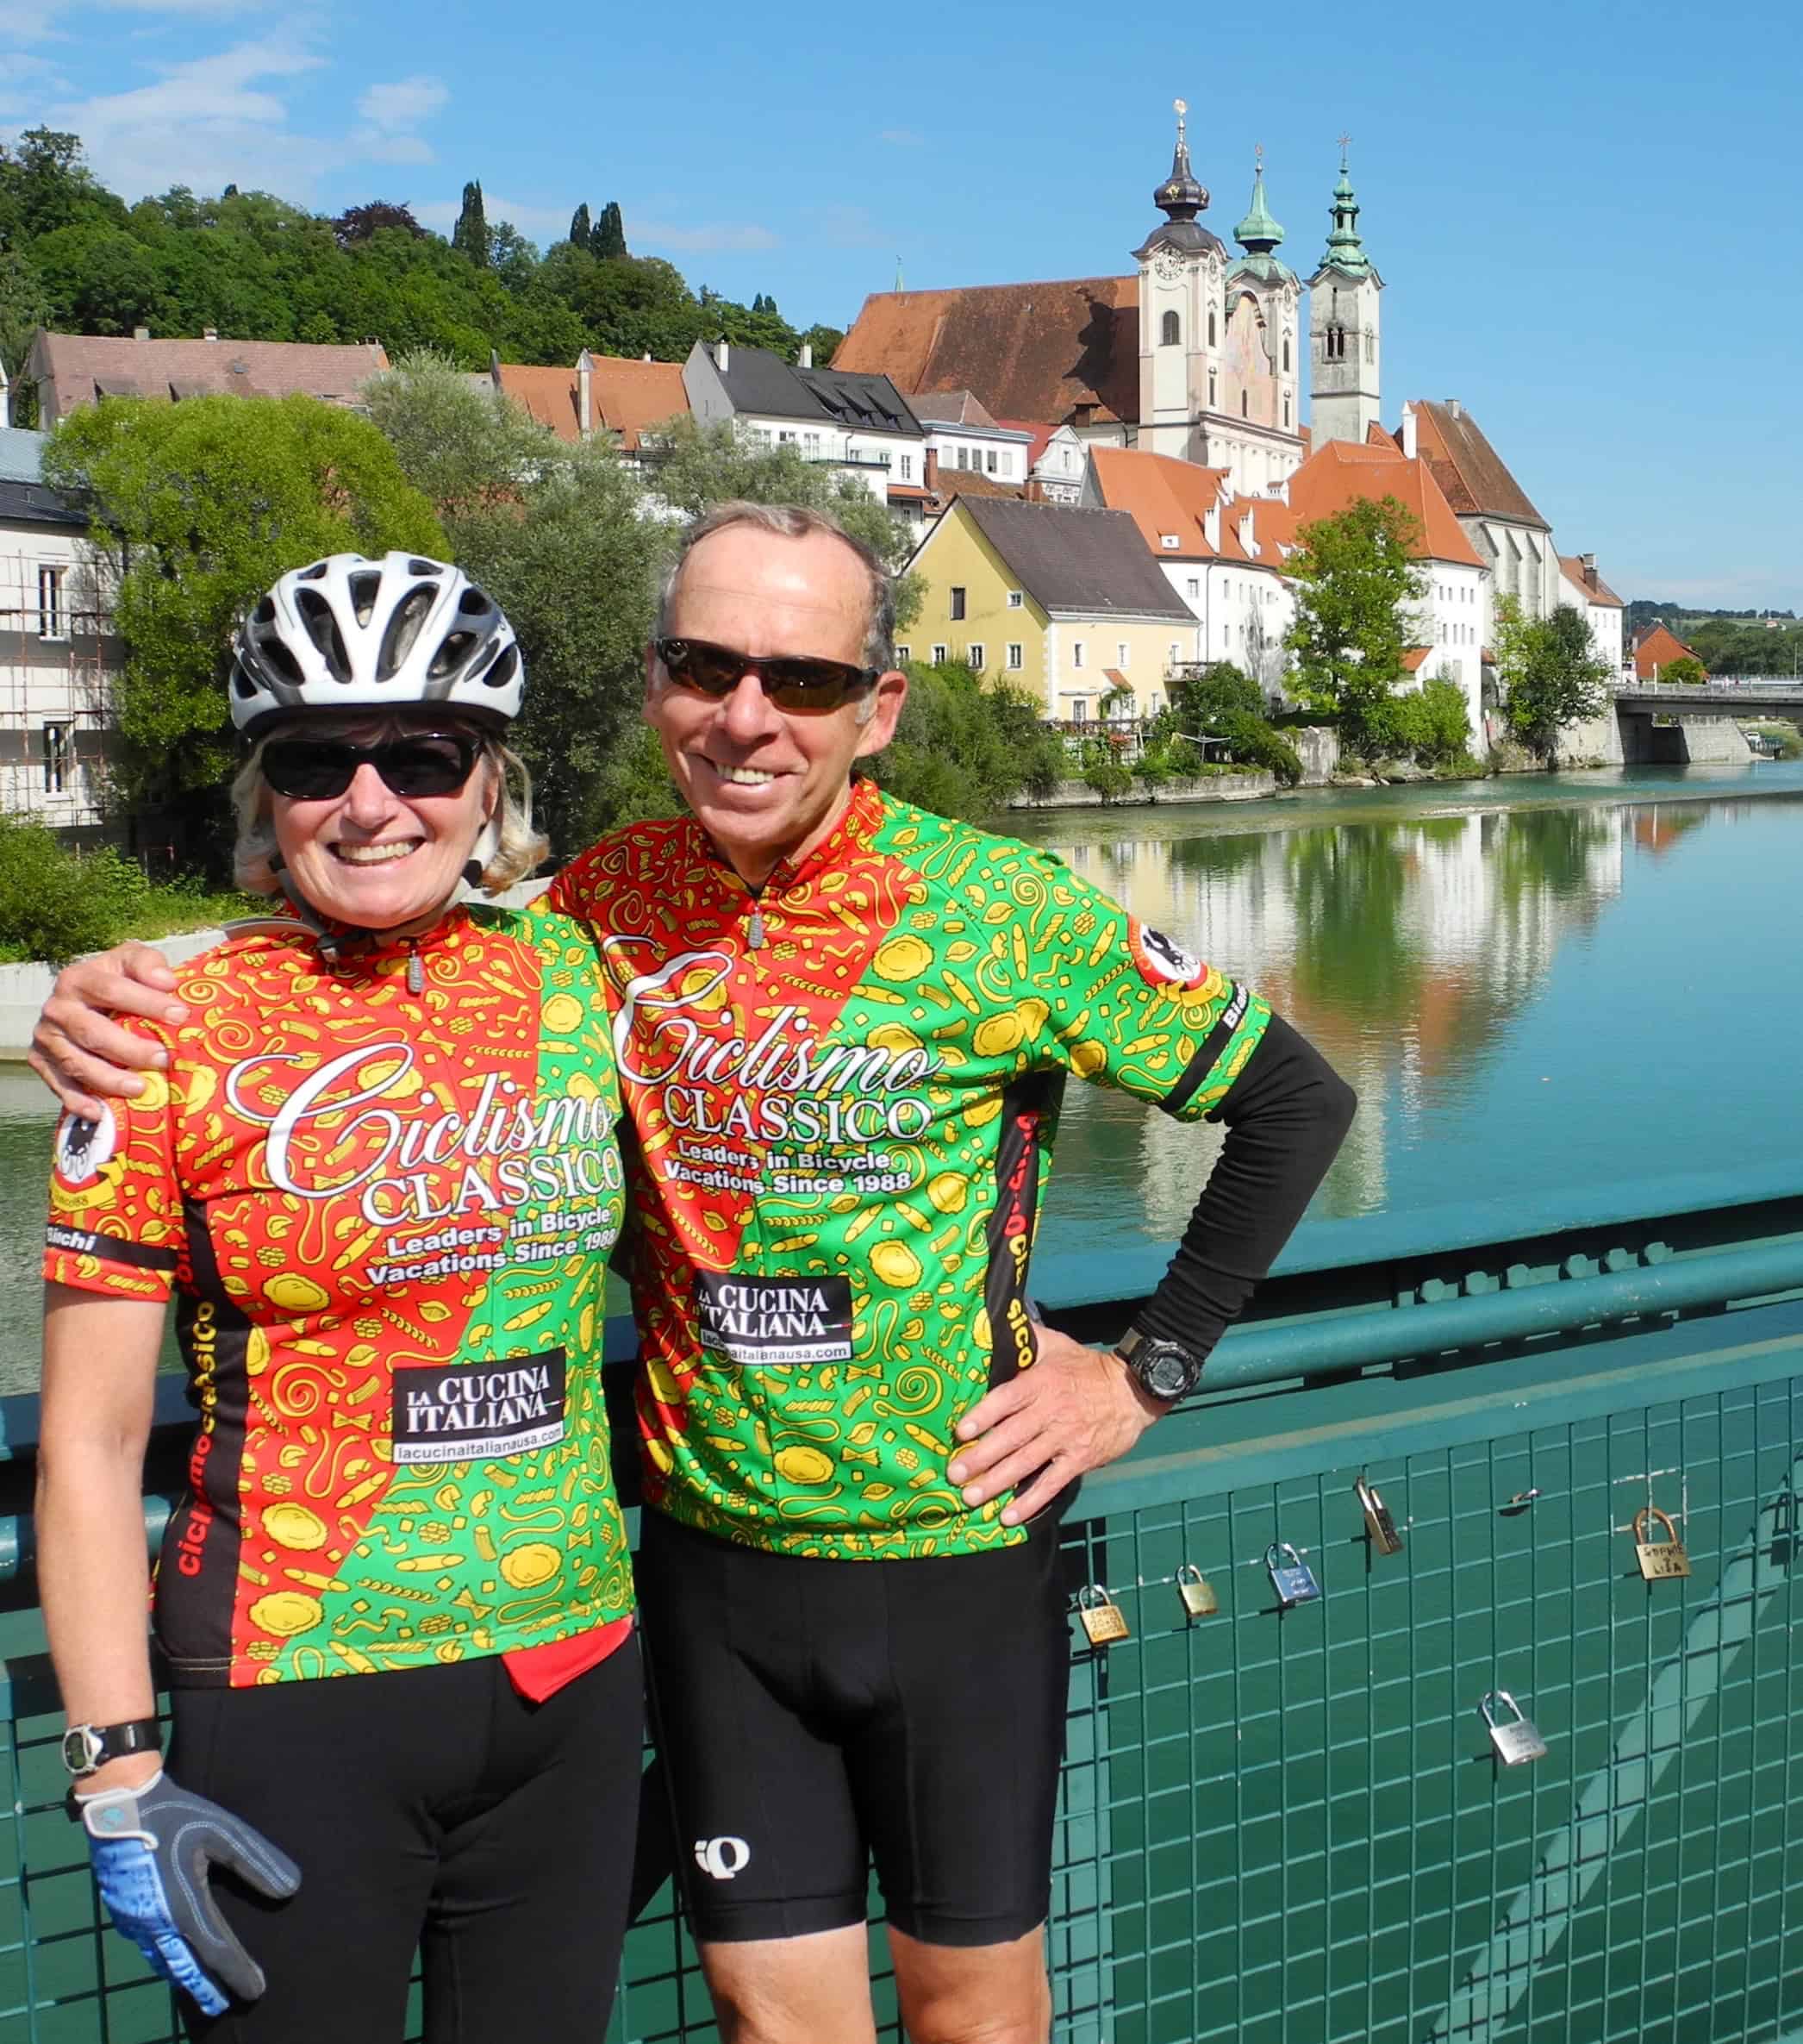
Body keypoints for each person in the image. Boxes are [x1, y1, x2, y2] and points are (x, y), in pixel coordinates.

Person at [34, 503, 1356, 2044]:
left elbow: (1296, 1101)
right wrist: (115, 981)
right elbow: (379, 941)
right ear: (655, 683)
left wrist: (1144, 1369)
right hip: (700, 1565)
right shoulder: (600, 913)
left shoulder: (1008, 909)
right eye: (704, 664)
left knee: (976, 2021)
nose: (747, 715)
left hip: (954, 1549)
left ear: (878, 708)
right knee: (767, 2018)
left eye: (799, 680)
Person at [35, 552, 639, 2043]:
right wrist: (116, 1770)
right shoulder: (158, 1033)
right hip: (295, 1690)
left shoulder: (577, 974)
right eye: (317, 763)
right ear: (267, 797)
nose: (371, 805)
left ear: (489, 782)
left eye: (422, 755)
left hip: (572, 1674)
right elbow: (91, 1448)